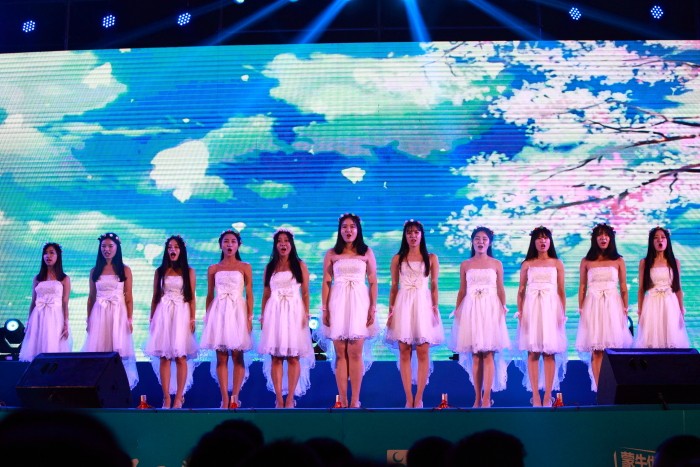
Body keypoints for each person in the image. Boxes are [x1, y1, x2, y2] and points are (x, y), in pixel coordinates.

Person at [321, 213, 378, 408]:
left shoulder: (366, 252)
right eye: (344, 227)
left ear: (358, 229)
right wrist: (325, 309)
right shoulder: (332, 253)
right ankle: (342, 400)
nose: (348, 230)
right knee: (340, 352)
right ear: (339, 230)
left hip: (359, 303)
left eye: (352, 226)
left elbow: (373, 281)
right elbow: (326, 282)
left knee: (355, 352)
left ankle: (355, 400)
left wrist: (372, 307)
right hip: (338, 302)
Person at [385, 219, 444, 409]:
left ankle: (419, 397)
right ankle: (408, 397)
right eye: (409, 232)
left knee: (423, 350)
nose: (413, 236)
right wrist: (391, 311)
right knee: (404, 350)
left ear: (421, 235)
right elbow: (394, 287)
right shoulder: (398, 258)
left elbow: (434, 285)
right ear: (405, 235)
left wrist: (435, 307)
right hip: (403, 304)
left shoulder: (431, 257)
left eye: (416, 232)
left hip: (423, 304)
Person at [449, 226, 510, 408]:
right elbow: (462, 290)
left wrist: (502, 308)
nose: (480, 242)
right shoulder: (465, 264)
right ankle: (477, 397)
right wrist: (458, 310)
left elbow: (500, 289)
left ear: (489, 242)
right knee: (476, 355)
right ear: (472, 242)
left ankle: (487, 398)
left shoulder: (496, 263)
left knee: (489, 354)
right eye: (477, 238)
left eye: (484, 239)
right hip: (472, 310)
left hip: (490, 309)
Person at [258, 228, 315, 408]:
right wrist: (263, 316)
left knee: (293, 356)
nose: (283, 244)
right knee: (276, 357)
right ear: (275, 245)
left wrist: (305, 314)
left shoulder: (300, 265)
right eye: (279, 241)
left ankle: (290, 398)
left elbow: (305, 293)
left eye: (286, 241)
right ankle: (279, 398)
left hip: (294, 312)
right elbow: (266, 294)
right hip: (274, 312)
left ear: (291, 244)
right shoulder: (270, 267)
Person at [200, 229, 254, 408]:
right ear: (220, 245)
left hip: (238, 311)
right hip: (220, 312)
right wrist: (208, 318)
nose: (229, 244)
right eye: (226, 241)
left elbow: (249, 294)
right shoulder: (213, 268)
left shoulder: (245, 266)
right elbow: (209, 295)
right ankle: (224, 398)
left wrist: (249, 317)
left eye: (233, 241)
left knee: (238, 356)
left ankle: (235, 397)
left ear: (238, 245)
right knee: (221, 357)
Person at [575, 223, 633, 391]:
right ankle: (600, 389)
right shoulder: (586, 261)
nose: (603, 238)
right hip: (593, 306)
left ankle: (613, 389)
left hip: (613, 306)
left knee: (613, 348)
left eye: (606, 235)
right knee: (596, 349)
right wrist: (582, 309)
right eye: (599, 235)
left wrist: (624, 309)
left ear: (611, 238)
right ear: (594, 239)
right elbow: (582, 287)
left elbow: (623, 287)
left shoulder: (618, 260)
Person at [144, 235, 198, 409]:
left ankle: (179, 397)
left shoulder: (189, 271)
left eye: (175, 247)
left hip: (181, 313)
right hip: (164, 313)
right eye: (169, 247)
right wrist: (152, 318)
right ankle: (166, 397)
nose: (172, 250)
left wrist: (192, 318)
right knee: (164, 357)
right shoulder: (160, 271)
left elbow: (191, 297)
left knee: (181, 356)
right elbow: (155, 296)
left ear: (181, 250)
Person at [515, 226, 567, 407]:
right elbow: (521, 291)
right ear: (534, 242)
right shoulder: (527, 264)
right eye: (539, 238)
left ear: (550, 241)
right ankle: (535, 395)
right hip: (532, 309)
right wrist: (521, 313)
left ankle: (548, 396)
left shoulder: (557, 263)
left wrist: (562, 314)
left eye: (545, 238)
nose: (542, 241)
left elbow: (561, 291)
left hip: (551, 309)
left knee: (549, 353)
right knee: (533, 352)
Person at [82, 232, 138, 389]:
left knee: (118, 355)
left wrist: (129, 319)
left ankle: (119, 388)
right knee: (99, 355)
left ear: (117, 248)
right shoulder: (94, 271)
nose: (106, 249)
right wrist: (89, 320)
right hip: (99, 314)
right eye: (103, 246)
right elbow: (91, 298)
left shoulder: (125, 270)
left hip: (118, 314)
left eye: (110, 246)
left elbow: (128, 297)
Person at [635, 227, 690, 349]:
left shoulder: (675, 262)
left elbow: (678, 289)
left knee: (671, 341)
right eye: (656, 238)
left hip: (670, 304)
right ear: (651, 242)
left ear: (667, 241)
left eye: (663, 237)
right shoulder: (644, 262)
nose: (660, 240)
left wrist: (681, 311)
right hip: (652, 303)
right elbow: (641, 289)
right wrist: (640, 313)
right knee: (652, 342)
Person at [19, 242, 72, 361]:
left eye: (52, 253)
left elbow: (65, 302)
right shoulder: (37, 278)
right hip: (38, 316)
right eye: (46, 253)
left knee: (53, 348)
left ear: (58, 256)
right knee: (37, 349)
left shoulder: (64, 278)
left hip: (55, 317)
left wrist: (66, 323)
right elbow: (33, 301)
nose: (48, 256)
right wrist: (29, 322)